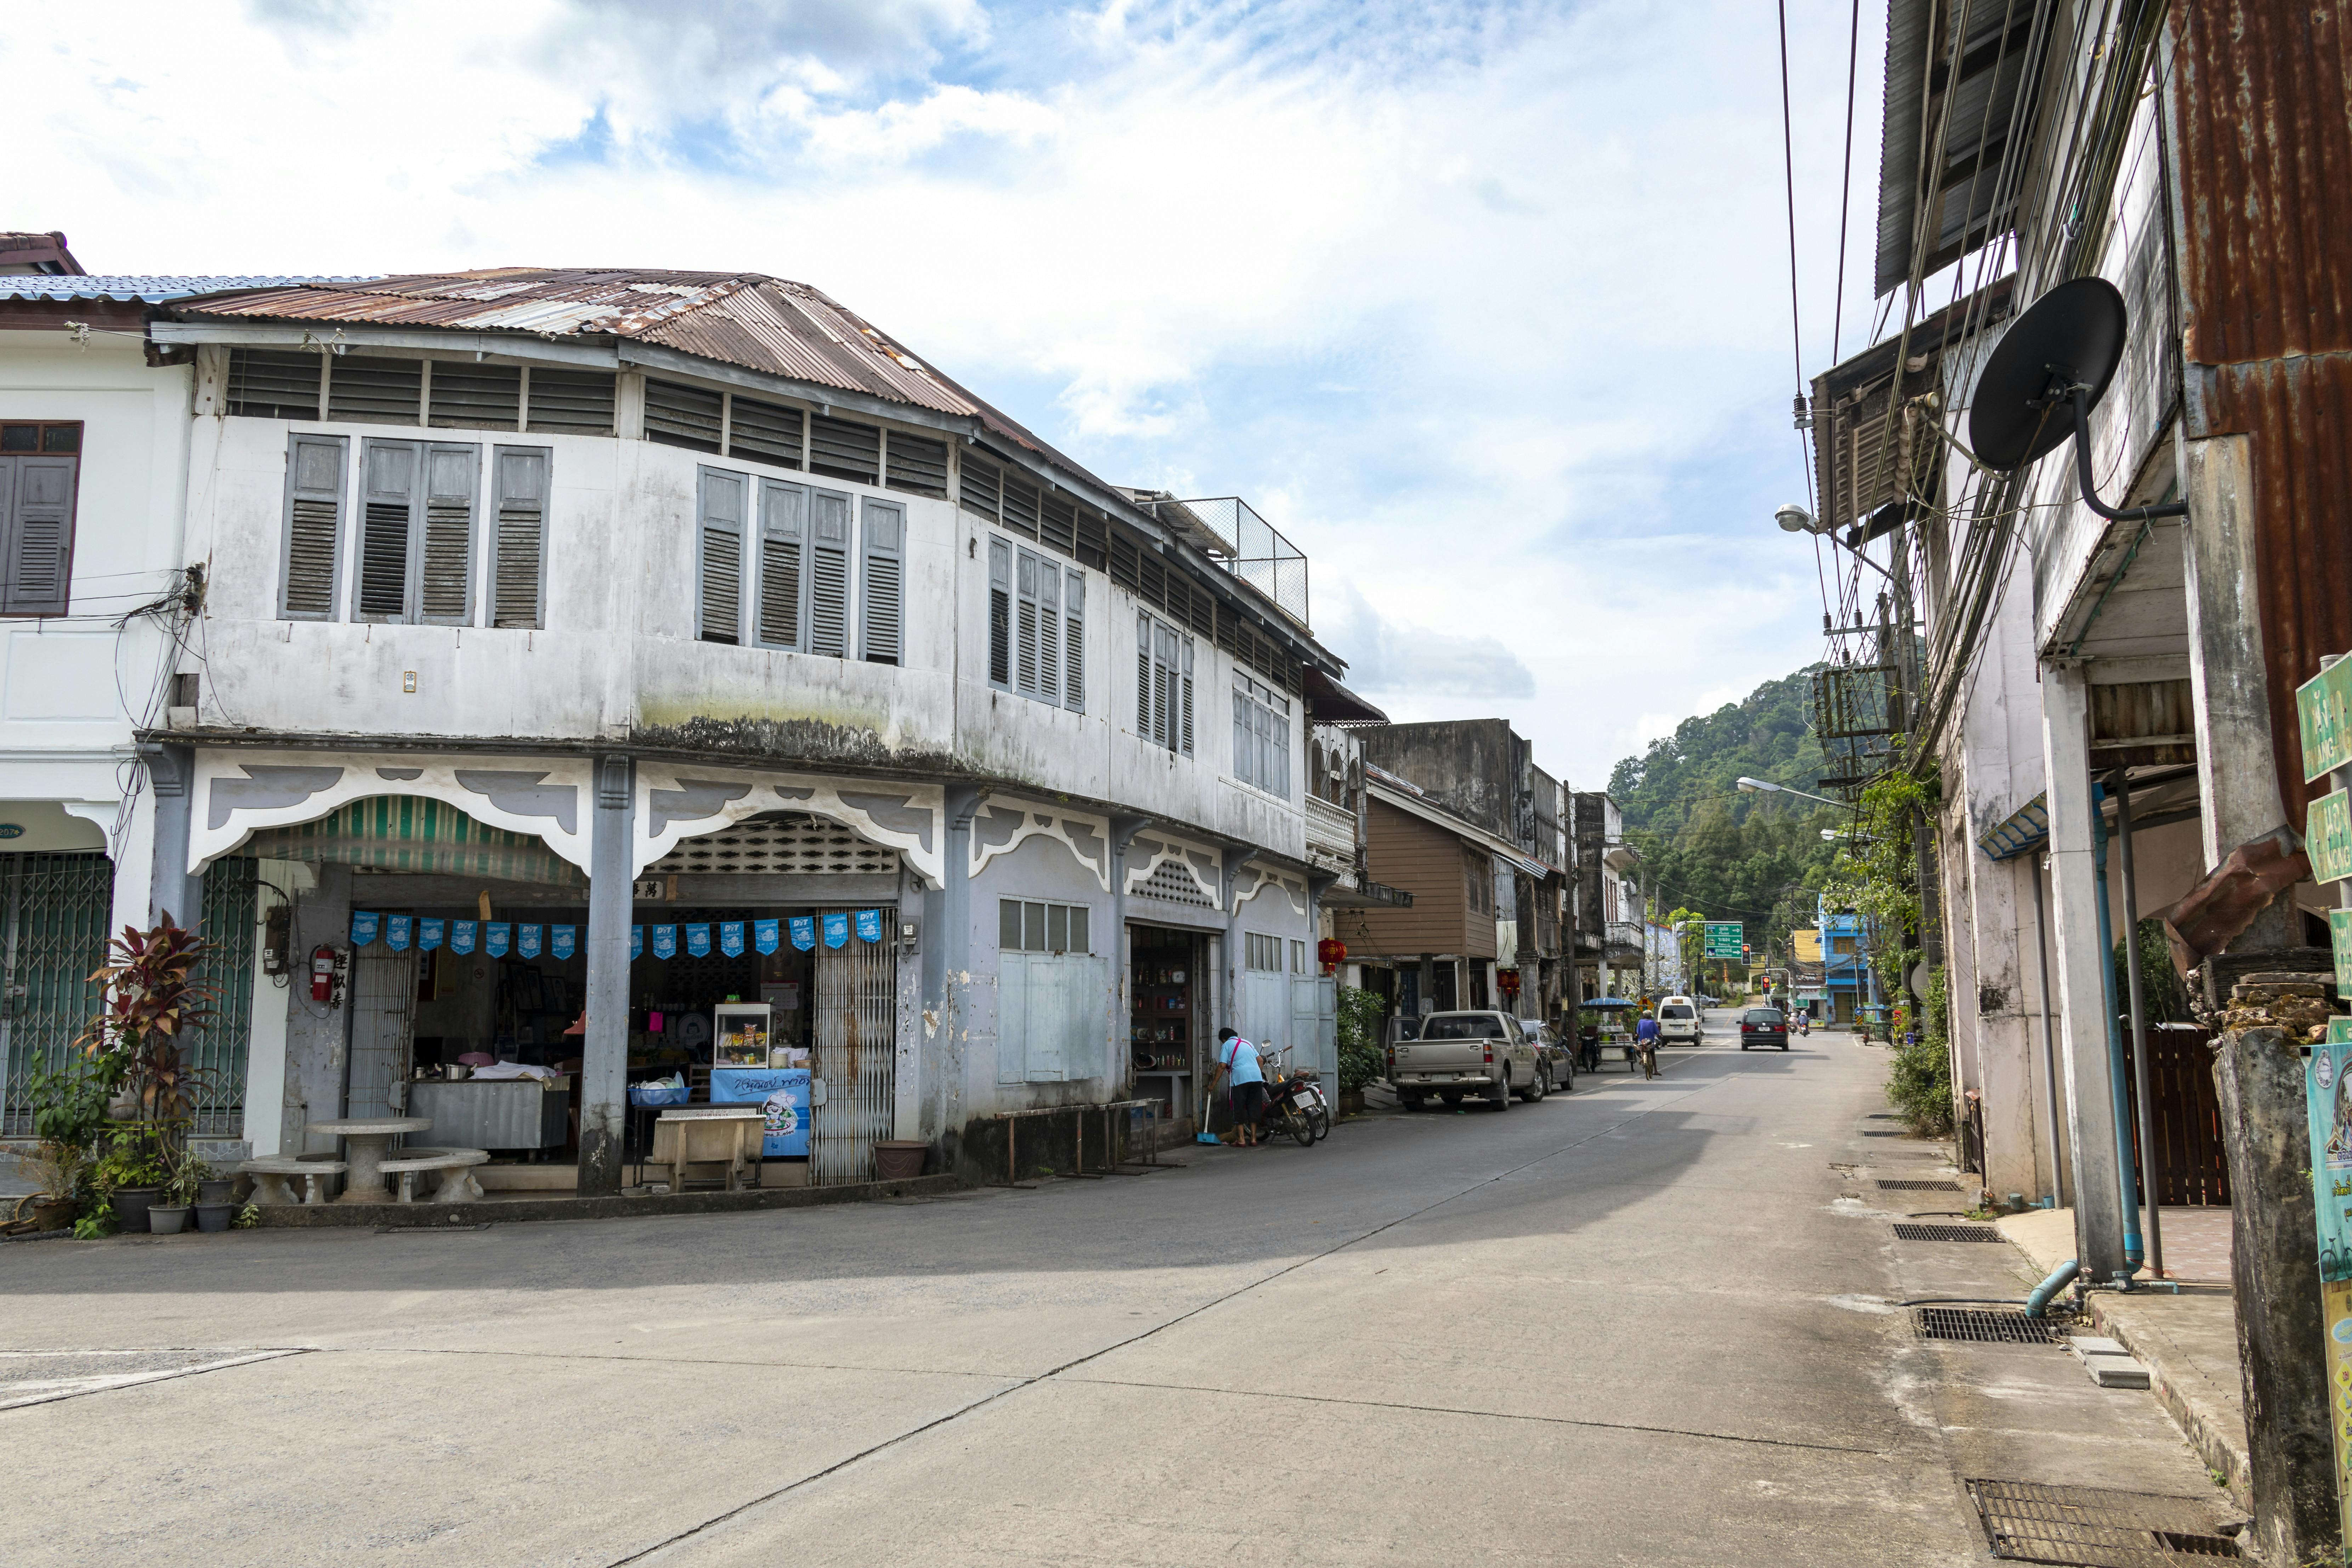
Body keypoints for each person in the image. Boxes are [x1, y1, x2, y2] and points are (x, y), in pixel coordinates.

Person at [1212, 1027, 1266, 1146]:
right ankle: (1253, 1139)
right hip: (1257, 1078)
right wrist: (1256, 1074)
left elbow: (1222, 1066)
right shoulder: (1248, 1043)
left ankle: (1242, 1140)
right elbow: (1261, 1061)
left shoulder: (1226, 1045)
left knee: (1240, 1108)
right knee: (1253, 1107)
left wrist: (1213, 1084)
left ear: (1223, 1038)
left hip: (1240, 1079)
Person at [1633, 1012, 1661, 1080]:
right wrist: (1659, 1035)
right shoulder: (1652, 1023)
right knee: (1653, 1055)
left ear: (1644, 1016)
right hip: (1650, 1042)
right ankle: (1656, 1071)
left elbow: (1638, 1032)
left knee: (1642, 1048)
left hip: (1642, 1041)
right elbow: (1657, 1032)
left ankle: (1643, 1058)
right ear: (1650, 1017)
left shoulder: (1640, 1022)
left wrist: (1637, 1035)